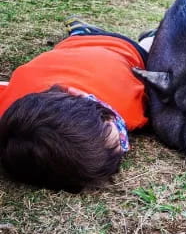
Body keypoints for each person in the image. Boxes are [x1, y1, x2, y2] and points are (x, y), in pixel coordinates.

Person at [0, 18, 156, 193]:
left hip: (122, 47)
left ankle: (150, 37)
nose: (126, 142)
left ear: (78, 93)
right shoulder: (10, 104)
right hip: (72, 46)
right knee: (79, 38)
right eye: (123, 143)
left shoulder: (129, 101)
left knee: (154, 50)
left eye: (120, 130)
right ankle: (81, 31)